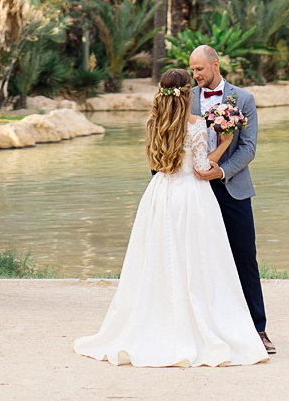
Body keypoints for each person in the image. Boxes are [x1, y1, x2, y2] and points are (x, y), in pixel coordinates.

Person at [73, 67, 269, 368]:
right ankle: (202, 323)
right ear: (187, 92)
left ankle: (161, 324)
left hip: (161, 195)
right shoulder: (197, 124)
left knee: (160, 260)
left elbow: (158, 162)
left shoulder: (154, 122)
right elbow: (201, 167)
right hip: (192, 196)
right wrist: (224, 143)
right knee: (198, 260)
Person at [190, 43, 275, 355]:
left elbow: (248, 147)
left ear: (215, 65)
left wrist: (222, 171)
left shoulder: (244, 99)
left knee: (245, 257)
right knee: (200, 259)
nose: (195, 75)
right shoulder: (188, 98)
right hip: (195, 190)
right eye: (192, 70)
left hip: (233, 188)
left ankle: (258, 329)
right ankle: (206, 329)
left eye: (199, 68)